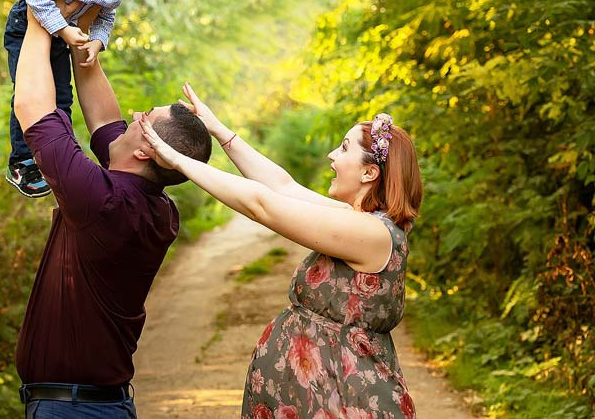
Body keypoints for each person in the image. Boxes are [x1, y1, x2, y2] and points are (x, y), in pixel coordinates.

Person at [139, 84, 423, 419]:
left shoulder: (371, 233)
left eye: (344, 148)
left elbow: (262, 205)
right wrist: (218, 129)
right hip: (325, 398)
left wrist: (177, 159)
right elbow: (281, 186)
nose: (332, 155)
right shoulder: (358, 220)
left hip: (344, 401)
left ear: (369, 172)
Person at [11, 0, 211, 418]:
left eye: (145, 119)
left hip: (73, 410)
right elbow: (104, 120)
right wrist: (81, 34)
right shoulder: (152, 205)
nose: (134, 115)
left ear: (145, 151)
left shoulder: (104, 203)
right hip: (92, 404)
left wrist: (39, 14)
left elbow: (32, 108)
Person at [5, 0, 165, 197]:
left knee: (60, 98)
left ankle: (55, 153)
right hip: (28, 24)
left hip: (62, 31)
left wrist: (97, 42)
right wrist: (64, 30)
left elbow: (106, 17)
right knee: (29, 92)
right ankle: (22, 162)